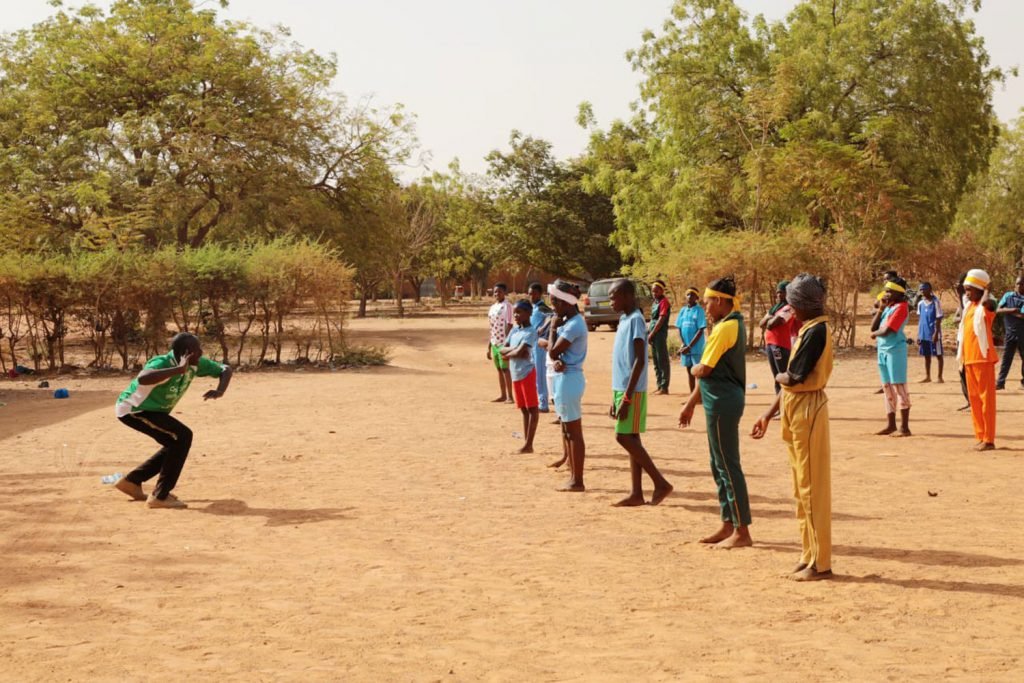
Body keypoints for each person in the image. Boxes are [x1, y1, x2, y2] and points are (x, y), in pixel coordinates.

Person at [752, 275, 834, 581]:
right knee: (801, 488)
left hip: (808, 407)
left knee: (812, 487)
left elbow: (793, 378)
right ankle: (808, 553)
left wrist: (779, 377)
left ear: (801, 305)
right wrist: (768, 412)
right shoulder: (809, 329)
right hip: (795, 406)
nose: (789, 310)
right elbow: (788, 382)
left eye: (791, 304)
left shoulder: (817, 331)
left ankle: (820, 562)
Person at [113, 332, 232, 508]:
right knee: (183, 436)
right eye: (197, 350)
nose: (200, 353)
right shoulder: (162, 363)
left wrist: (220, 390)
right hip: (135, 410)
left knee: (176, 443)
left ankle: (132, 481)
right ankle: (160, 497)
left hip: (154, 411)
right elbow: (144, 379)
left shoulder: (196, 364)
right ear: (186, 353)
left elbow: (225, 369)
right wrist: (178, 370)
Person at [679, 276, 752, 549]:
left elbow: (704, 370)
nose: (705, 307)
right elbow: (709, 375)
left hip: (723, 402)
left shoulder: (725, 328)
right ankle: (728, 522)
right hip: (717, 400)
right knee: (718, 463)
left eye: (708, 301)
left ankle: (742, 530)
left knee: (728, 465)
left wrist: (694, 367)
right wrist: (690, 403)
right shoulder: (728, 324)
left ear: (720, 301)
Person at [608, 279, 673, 507]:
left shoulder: (636, 320)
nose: (611, 302)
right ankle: (636, 493)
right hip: (622, 388)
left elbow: (638, 361)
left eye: (614, 297)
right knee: (632, 438)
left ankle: (660, 482)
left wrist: (626, 396)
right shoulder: (624, 319)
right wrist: (615, 395)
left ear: (627, 296)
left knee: (623, 437)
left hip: (632, 390)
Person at [549, 280, 589, 491]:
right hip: (566, 378)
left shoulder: (573, 324)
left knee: (573, 432)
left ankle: (577, 479)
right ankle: (573, 473)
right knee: (567, 429)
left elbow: (553, 352)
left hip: (570, 379)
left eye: (555, 301)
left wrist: (554, 326)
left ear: (565, 303)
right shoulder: (571, 322)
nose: (553, 305)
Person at [960, 269, 999, 451]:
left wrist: (986, 293)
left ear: (979, 290)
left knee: (986, 401)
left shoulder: (986, 307)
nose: (967, 293)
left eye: (970, 289)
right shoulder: (969, 308)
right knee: (975, 400)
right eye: (965, 289)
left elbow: (990, 305)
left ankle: (989, 439)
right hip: (969, 359)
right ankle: (980, 435)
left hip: (983, 359)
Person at [870, 278, 912, 437]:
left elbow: (888, 330)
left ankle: (905, 427)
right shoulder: (890, 307)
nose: (886, 294)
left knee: (899, 387)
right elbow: (874, 326)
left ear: (898, 293)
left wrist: (874, 334)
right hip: (883, 349)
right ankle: (891, 424)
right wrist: (880, 309)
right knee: (887, 387)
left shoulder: (901, 308)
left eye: (889, 291)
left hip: (895, 350)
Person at [502, 300, 540, 453]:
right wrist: (516, 351)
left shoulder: (531, 332)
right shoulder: (514, 331)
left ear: (529, 313)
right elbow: (502, 349)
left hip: (527, 373)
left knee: (532, 409)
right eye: (515, 312)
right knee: (524, 409)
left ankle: (529, 443)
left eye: (519, 312)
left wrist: (513, 353)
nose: (516, 315)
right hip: (516, 374)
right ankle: (526, 442)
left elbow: (520, 353)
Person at [759, 280, 800, 394]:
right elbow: (761, 323)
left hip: (780, 345)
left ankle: (786, 403)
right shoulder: (775, 308)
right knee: (776, 376)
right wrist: (771, 318)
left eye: (782, 292)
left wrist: (769, 318)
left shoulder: (789, 308)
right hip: (770, 345)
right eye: (777, 292)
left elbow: (771, 325)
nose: (779, 295)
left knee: (782, 375)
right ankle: (779, 404)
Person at [486, 283, 514, 404]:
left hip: (503, 343)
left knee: (505, 369)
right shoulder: (492, 308)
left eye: (500, 291)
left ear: (504, 293)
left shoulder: (507, 306)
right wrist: (489, 346)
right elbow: (491, 327)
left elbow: (510, 324)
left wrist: (507, 343)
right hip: (494, 343)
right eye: (495, 292)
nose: (497, 294)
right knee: (499, 369)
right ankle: (502, 395)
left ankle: (510, 396)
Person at [528, 282, 554, 411]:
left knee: (540, 373)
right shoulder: (533, 307)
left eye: (533, 293)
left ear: (539, 294)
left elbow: (553, 316)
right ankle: (538, 399)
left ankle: (543, 403)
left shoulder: (542, 306)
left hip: (539, 344)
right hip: (532, 343)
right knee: (534, 373)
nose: (531, 296)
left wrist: (542, 328)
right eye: (530, 294)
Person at [675, 287, 707, 393]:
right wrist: (683, 344)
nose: (689, 297)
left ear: (697, 297)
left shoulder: (699, 310)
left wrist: (690, 346)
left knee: (697, 372)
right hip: (686, 348)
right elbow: (679, 327)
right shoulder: (683, 311)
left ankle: (699, 396)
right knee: (689, 372)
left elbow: (700, 330)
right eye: (688, 294)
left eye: (692, 295)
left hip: (696, 348)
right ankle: (692, 395)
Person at [995, 275, 1024, 391]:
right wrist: (1012, 310)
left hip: (1022, 333)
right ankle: (1000, 383)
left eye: (1022, 284)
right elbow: (997, 309)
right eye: (1018, 284)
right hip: (1009, 333)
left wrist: (1007, 311)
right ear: (1014, 284)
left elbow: (1022, 316)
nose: (1019, 286)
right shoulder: (1008, 296)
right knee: (1006, 359)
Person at [915, 282, 944, 384]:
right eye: (921, 289)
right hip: (923, 333)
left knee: (938, 355)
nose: (922, 291)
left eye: (924, 289)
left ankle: (940, 377)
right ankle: (928, 376)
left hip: (933, 333)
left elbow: (939, 318)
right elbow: (920, 319)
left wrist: (936, 333)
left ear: (930, 289)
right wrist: (918, 334)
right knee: (926, 355)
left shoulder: (936, 302)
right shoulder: (920, 304)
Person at [648, 279, 672, 394]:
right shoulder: (655, 302)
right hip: (653, 334)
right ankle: (659, 385)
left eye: (656, 291)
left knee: (662, 360)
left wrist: (652, 333)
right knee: (656, 361)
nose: (654, 293)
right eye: (653, 291)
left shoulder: (664, 302)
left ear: (662, 291)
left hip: (659, 334)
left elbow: (661, 319)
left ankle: (664, 386)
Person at [953, 274, 971, 411]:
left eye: (960, 283)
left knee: (968, 371)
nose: (957, 286)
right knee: (962, 371)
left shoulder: (971, 299)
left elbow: (966, 316)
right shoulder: (964, 299)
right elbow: (957, 318)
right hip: (961, 338)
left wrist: (960, 296)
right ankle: (969, 400)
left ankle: (974, 401)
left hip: (970, 340)